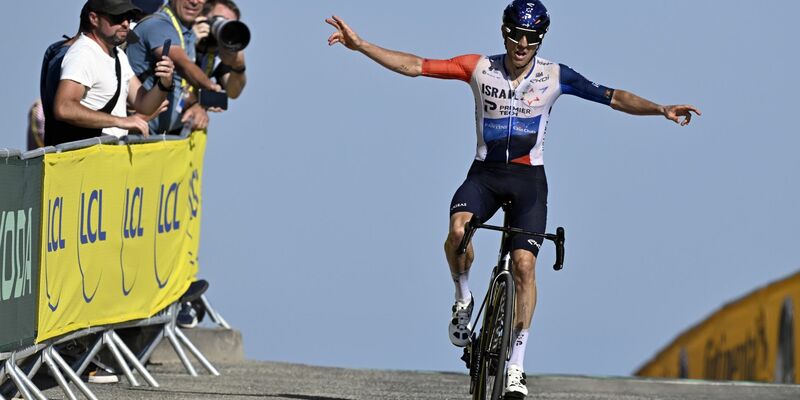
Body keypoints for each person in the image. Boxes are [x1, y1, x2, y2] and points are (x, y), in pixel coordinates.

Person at [326, 1, 701, 397]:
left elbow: (613, 96)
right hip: (485, 176)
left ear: (540, 39)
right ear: (503, 32)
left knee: (524, 266)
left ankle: (516, 367)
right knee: (458, 231)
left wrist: (660, 109)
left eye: (531, 37)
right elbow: (416, 65)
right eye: (515, 35)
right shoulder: (479, 68)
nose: (521, 44)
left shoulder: (556, 75)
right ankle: (463, 297)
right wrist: (362, 45)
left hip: (528, 182)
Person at [50, 0, 175, 146]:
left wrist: (164, 82)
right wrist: (121, 121)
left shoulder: (118, 55)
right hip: (86, 160)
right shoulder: (83, 54)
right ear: (94, 18)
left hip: (107, 158)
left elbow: (143, 104)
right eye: (117, 17)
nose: (126, 24)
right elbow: (64, 107)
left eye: (129, 17)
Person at [126, 0, 222, 135]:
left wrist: (196, 105)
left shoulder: (188, 32)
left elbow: (179, 87)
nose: (194, 1)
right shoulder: (157, 24)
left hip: (159, 138)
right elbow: (181, 64)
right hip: (132, 135)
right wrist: (211, 87)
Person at [193, 0, 247, 99]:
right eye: (219, 20)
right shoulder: (179, 35)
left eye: (229, 24)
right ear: (201, 17)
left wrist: (239, 66)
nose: (224, 27)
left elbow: (233, 92)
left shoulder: (219, 54)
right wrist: (189, 40)